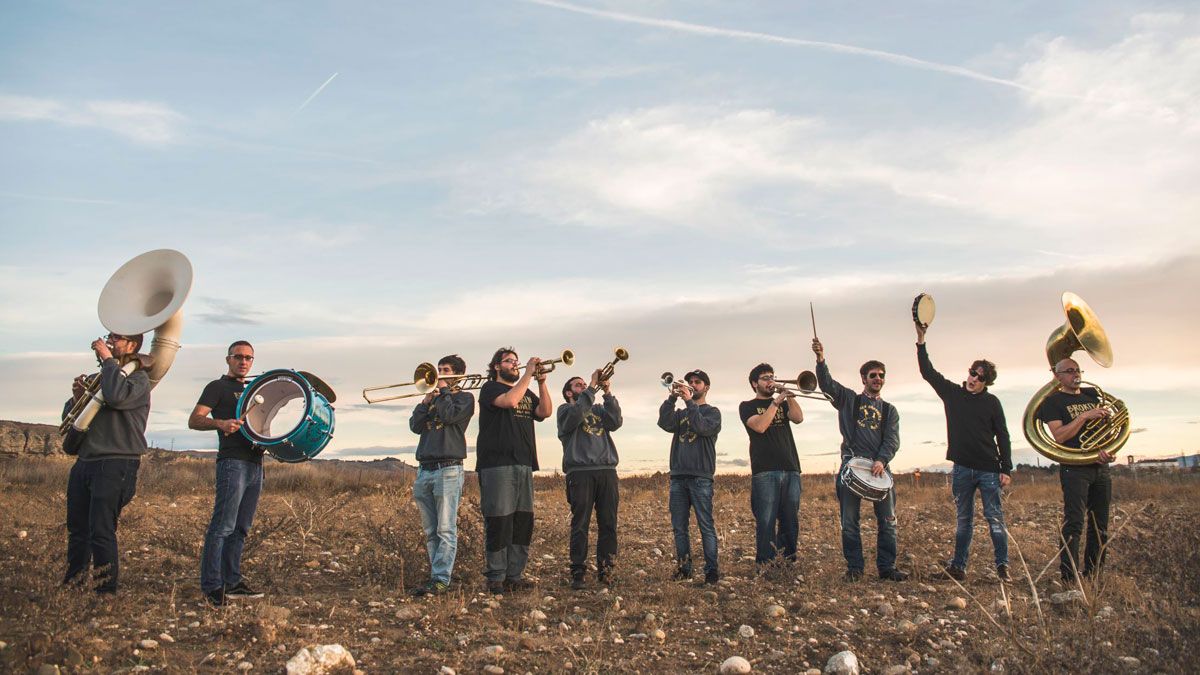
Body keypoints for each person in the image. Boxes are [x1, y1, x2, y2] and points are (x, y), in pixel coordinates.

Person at [915, 321, 1013, 582]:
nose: (973, 378)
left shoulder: (992, 403)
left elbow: (1002, 435)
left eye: (980, 377)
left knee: (994, 518)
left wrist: (1006, 468)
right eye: (972, 372)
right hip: (961, 469)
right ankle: (958, 567)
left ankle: (1003, 568)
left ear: (986, 382)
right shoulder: (952, 394)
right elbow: (928, 372)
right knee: (963, 521)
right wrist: (921, 340)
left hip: (989, 470)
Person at [812, 338, 907, 582]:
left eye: (881, 375)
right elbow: (827, 384)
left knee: (888, 521)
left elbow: (892, 440)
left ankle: (887, 568)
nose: (878, 378)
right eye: (873, 375)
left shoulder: (890, 411)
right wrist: (821, 359)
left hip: (879, 468)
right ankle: (855, 569)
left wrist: (882, 460)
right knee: (849, 522)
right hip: (852, 465)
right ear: (863, 378)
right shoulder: (849, 400)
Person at [62, 332, 150, 594]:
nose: (109, 340)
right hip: (86, 462)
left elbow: (116, 397)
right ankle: (73, 585)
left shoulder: (138, 378)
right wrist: (77, 398)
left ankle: (105, 592)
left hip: (116, 463)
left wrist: (108, 359)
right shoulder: (99, 379)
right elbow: (70, 420)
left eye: (117, 338)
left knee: (101, 530)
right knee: (78, 528)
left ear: (132, 346)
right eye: (109, 336)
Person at [190, 340, 266, 606]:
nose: (243, 362)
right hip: (232, 462)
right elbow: (195, 419)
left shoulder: (255, 389)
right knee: (222, 526)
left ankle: (232, 582)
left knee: (241, 528)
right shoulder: (217, 387)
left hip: (256, 463)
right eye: (238, 357)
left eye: (248, 358)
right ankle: (212, 586)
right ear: (228, 359)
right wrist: (220, 423)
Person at [476, 347, 552, 594]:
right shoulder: (490, 388)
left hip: (524, 462)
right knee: (499, 518)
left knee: (522, 520)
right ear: (497, 366)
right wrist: (528, 374)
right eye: (509, 361)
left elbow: (545, 412)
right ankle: (495, 576)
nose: (515, 365)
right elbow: (509, 401)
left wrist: (541, 383)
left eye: (517, 362)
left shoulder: (526, 390)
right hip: (497, 463)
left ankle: (514, 575)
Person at [1037, 357, 1115, 581]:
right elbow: (1059, 436)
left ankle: (1093, 573)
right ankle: (1069, 576)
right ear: (1058, 376)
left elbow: (1106, 429)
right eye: (1069, 371)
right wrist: (1083, 416)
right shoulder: (1053, 401)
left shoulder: (1092, 395)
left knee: (1100, 524)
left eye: (1077, 370)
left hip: (1100, 467)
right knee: (1074, 522)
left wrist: (1108, 448)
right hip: (1074, 469)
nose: (1075, 374)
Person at [408, 355, 475, 596]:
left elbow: (448, 417)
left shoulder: (465, 398)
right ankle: (435, 575)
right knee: (430, 530)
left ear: (457, 375)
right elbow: (415, 426)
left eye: (445, 370)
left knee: (446, 529)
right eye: (438, 370)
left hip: (448, 469)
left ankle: (440, 578)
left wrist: (444, 392)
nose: (440, 374)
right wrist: (425, 401)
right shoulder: (433, 398)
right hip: (424, 469)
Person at [557, 369, 623, 590]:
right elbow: (575, 417)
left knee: (608, 523)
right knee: (580, 524)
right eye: (578, 385)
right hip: (580, 472)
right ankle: (578, 571)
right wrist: (592, 388)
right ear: (568, 393)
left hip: (606, 470)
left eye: (584, 384)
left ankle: (607, 569)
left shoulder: (598, 408)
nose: (583, 387)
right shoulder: (565, 410)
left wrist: (607, 393)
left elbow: (615, 422)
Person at [658, 370, 722, 585]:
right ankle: (684, 570)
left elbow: (702, 427)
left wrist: (688, 402)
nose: (693, 384)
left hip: (700, 477)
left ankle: (712, 572)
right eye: (690, 382)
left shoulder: (713, 412)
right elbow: (664, 423)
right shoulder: (681, 413)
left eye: (698, 382)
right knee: (679, 528)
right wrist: (672, 398)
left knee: (706, 525)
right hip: (678, 476)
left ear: (707, 387)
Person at [739, 363, 804, 569]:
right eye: (765, 378)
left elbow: (798, 418)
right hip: (765, 470)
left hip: (790, 467)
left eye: (772, 377)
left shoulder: (784, 404)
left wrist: (789, 396)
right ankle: (765, 564)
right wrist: (776, 402)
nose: (770, 381)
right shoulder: (747, 405)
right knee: (766, 521)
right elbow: (759, 426)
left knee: (790, 520)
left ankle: (787, 562)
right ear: (754, 383)